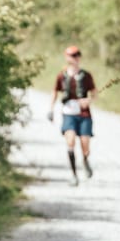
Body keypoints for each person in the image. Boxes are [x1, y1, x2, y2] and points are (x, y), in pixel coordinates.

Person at [47, 45, 96, 186]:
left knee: (85, 145)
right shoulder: (61, 76)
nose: (76, 58)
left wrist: (88, 100)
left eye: (78, 55)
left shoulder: (86, 75)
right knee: (70, 141)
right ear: (67, 57)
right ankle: (74, 175)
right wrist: (51, 109)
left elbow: (94, 93)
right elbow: (55, 91)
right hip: (68, 113)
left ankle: (85, 160)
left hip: (84, 113)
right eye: (73, 55)